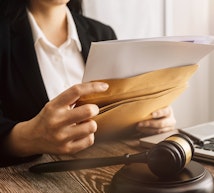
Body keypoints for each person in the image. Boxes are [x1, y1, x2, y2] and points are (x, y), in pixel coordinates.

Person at [0, 0, 176, 165]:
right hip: (26, 184)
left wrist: (147, 120)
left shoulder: (103, 34)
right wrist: (27, 138)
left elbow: (116, 115)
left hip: (103, 170)